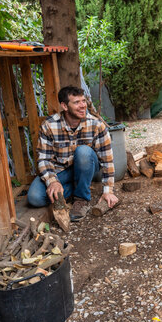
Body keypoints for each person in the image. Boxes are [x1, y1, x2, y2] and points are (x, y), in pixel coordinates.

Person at [27, 86, 119, 221]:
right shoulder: (49, 125)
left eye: (83, 101)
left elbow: (107, 160)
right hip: (61, 171)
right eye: (76, 102)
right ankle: (77, 187)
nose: (83, 106)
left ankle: (82, 199)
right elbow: (44, 159)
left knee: (83, 151)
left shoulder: (97, 125)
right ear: (64, 106)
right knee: (34, 198)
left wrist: (108, 191)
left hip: (87, 165)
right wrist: (53, 182)